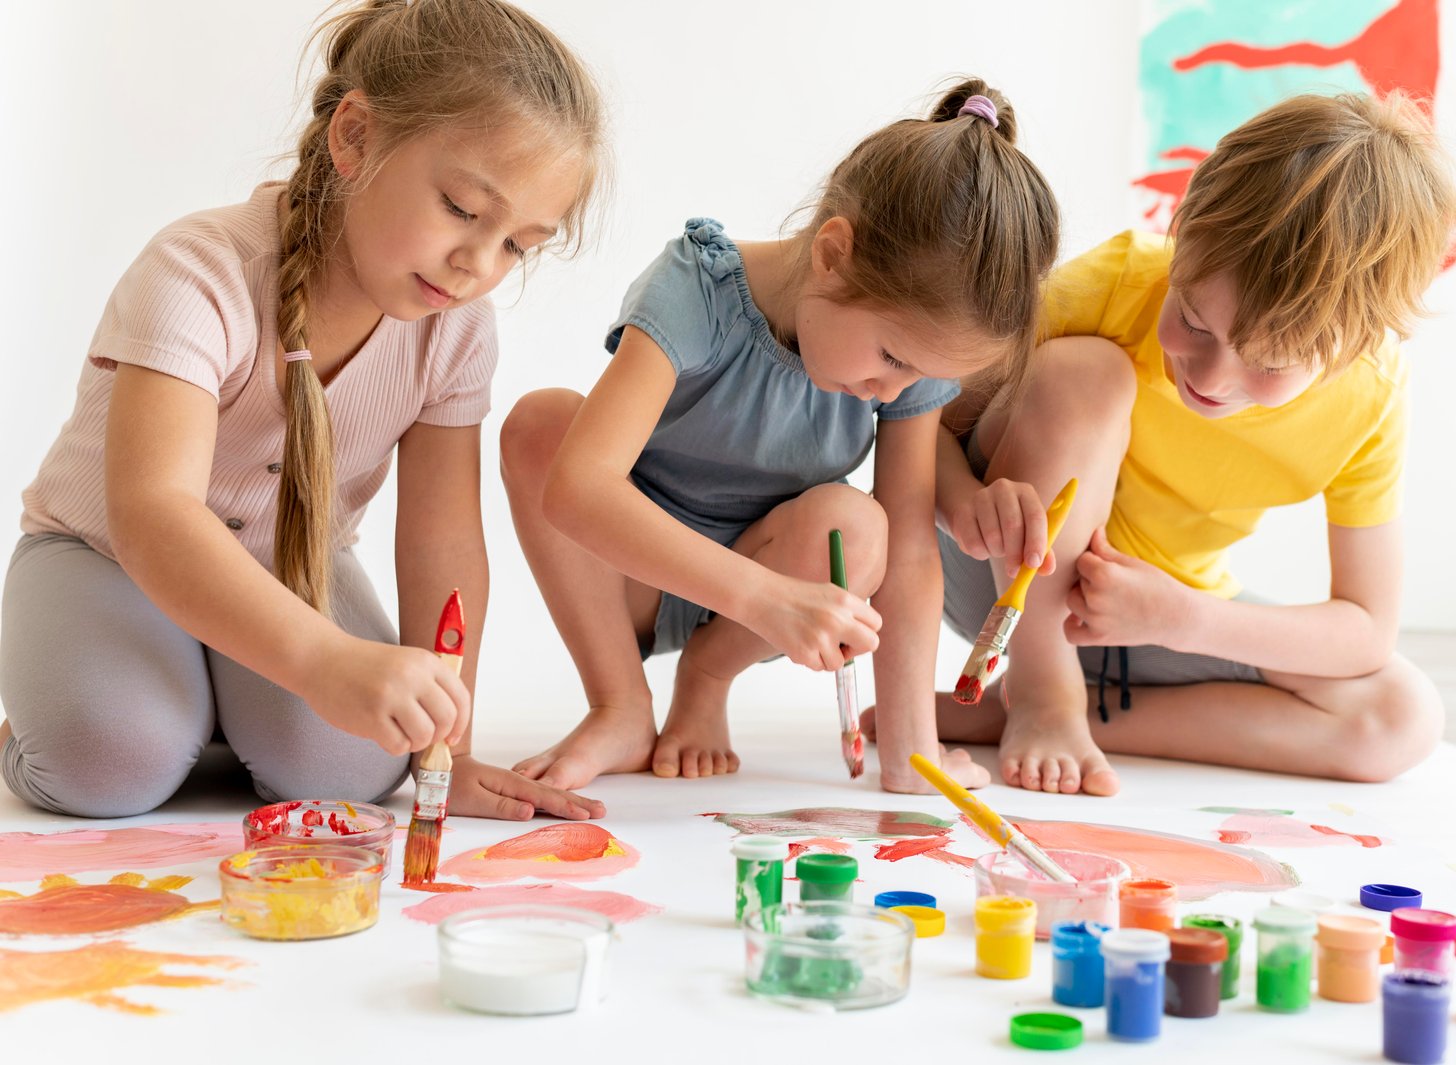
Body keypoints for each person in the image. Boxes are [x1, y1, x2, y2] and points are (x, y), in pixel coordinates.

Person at [1, 0, 608, 821]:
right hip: (104, 556)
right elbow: (152, 514)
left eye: (516, 245)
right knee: (108, 762)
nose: (478, 263)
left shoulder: (458, 329)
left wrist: (445, 754)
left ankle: (207, 712)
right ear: (354, 137)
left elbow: (442, 538)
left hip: (292, 563)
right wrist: (323, 662)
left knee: (357, 765)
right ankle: (100, 708)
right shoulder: (197, 271)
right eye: (464, 209)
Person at [501, 80, 1059, 794]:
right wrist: (761, 596)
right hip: (637, 573)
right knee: (543, 426)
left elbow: (912, 552)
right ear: (832, 252)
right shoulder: (695, 287)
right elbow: (579, 489)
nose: (895, 391)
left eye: (923, 375)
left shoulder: (901, 366)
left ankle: (707, 676)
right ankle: (620, 706)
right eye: (893, 358)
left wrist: (911, 748)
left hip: (772, 596)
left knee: (861, 526)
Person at [928, 92, 1456, 794]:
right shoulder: (1119, 280)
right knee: (1085, 371)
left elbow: (1367, 628)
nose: (1212, 378)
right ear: (1181, 232)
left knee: (1403, 716)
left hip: (1150, 615)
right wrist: (963, 501)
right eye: (1192, 320)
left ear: (1355, 343)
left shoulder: (1372, 396)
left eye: (1270, 362)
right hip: (1004, 581)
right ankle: (1042, 691)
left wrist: (1181, 617)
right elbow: (922, 419)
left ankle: (1054, 714)